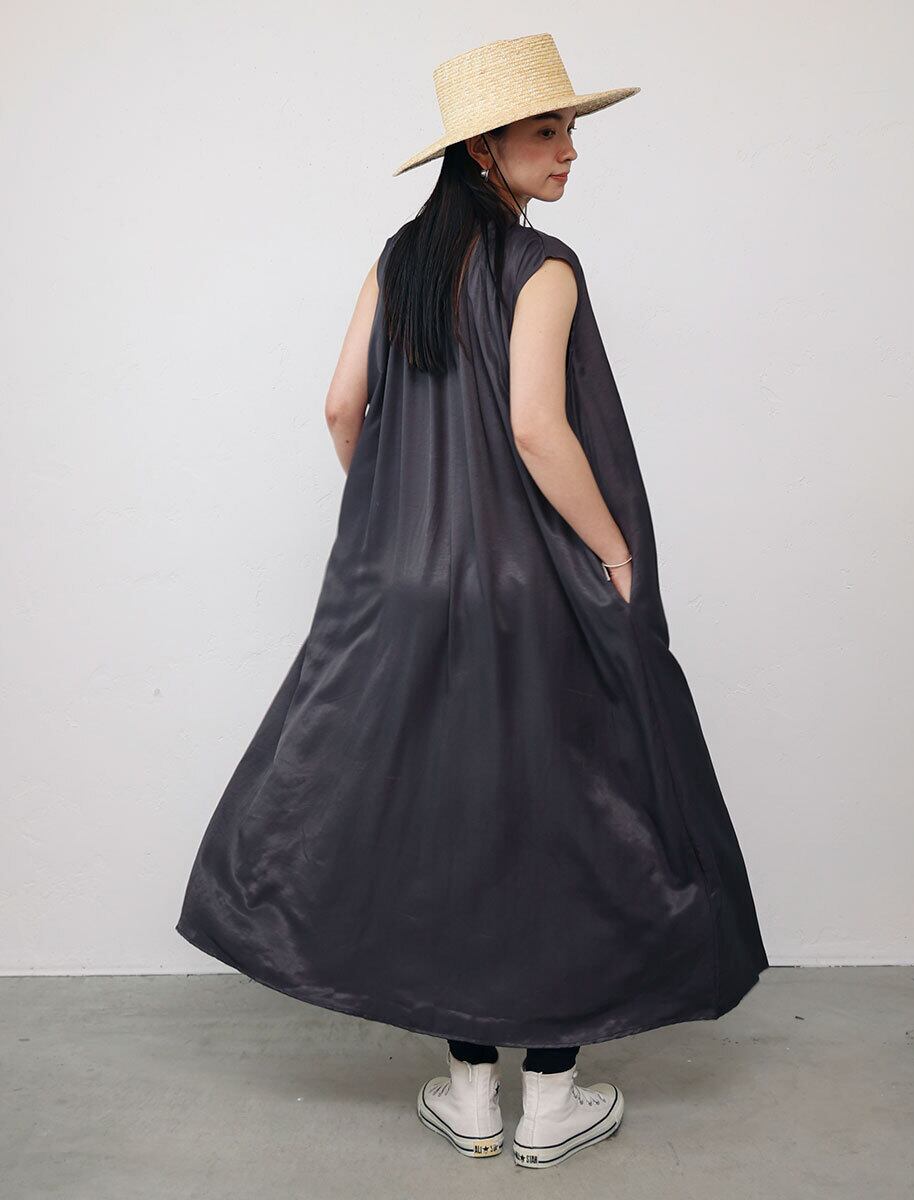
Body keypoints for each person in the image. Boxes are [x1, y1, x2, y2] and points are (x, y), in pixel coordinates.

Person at [176, 32, 769, 1171]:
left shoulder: (397, 260)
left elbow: (341, 406)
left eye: (570, 129)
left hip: (404, 589)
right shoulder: (545, 266)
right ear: (484, 149)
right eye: (548, 131)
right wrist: (612, 549)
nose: (570, 150)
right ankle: (551, 1103)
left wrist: (401, 513)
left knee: (447, 823)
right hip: (526, 586)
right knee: (559, 825)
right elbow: (537, 429)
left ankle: (469, 1095)